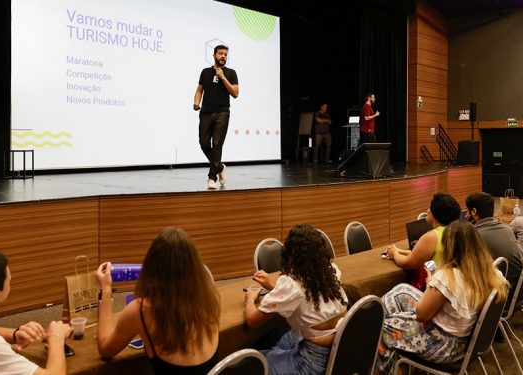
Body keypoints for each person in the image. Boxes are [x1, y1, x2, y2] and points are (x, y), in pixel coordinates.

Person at [374, 220, 508, 375]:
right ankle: (397, 361)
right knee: (401, 292)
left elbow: (422, 314)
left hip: (442, 343)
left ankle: (382, 365)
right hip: (461, 339)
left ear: (449, 246)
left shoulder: (448, 277)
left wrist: (431, 286)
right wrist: (433, 286)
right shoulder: (491, 272)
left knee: (378, 329)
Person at [95, 227, 220, 374]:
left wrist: (106, 290)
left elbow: (105, 348)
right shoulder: (211, 299)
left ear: (150, 266)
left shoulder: (141, 310)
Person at [244, 224, 348, 374]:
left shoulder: (292, 284)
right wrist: (274, 287)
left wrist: (250, 298)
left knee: (252, 364)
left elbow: (252, 320)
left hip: (310, 364)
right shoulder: (330, 273)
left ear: (290, 254)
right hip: (338, 354)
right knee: (276, 339)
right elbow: (306, 296)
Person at [384, 193, 461, 290]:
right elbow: (429, 259)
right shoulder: (458, 231)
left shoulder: (431, 237)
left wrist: (395, 254)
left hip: (435, 290)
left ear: (434, 213)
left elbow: (408, 263)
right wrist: (400, 251)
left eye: (429, 207)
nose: (427, 211)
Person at [193, 44, 239, 190]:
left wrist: (223, 77)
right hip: (206, 112)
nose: (223, 56)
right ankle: (220, 167)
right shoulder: (205, 72)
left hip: (222, 112)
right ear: (214, 55)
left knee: (217, 144)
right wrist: (196, 102)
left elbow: (235, 93)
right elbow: (199, 90)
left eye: (225, 54)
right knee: (203, 143)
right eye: (220, 53)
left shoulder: (231, 73)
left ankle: (212, 177)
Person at [465, 192, 523, 301]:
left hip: (495, 297)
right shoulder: (507, 229)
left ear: (473, 212)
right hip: (517, 290)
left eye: (468, 211)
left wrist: (468, 228)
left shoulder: (473, 236)